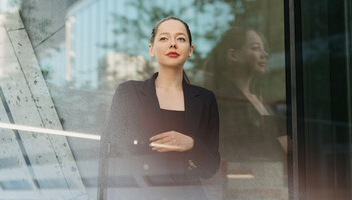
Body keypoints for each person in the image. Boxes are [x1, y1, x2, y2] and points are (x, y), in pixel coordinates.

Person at [98, 17, 220, 200]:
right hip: (138, 194)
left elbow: (211, 167)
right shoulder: (129, 92)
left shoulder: (205, 99)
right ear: (151, 49)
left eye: (180, 39)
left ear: (190, 50)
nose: (172, 44)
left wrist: (191, 144)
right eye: (164, 38)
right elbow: (111, 153)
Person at [207, 28, 287, 199]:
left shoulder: (261, 99)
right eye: (255, 47)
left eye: (263, 48)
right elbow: (233, 147)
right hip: (243, 187)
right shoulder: (222, 100)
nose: (264, 54)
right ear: (234, 55)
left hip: (270, 184)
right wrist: (279, 145)